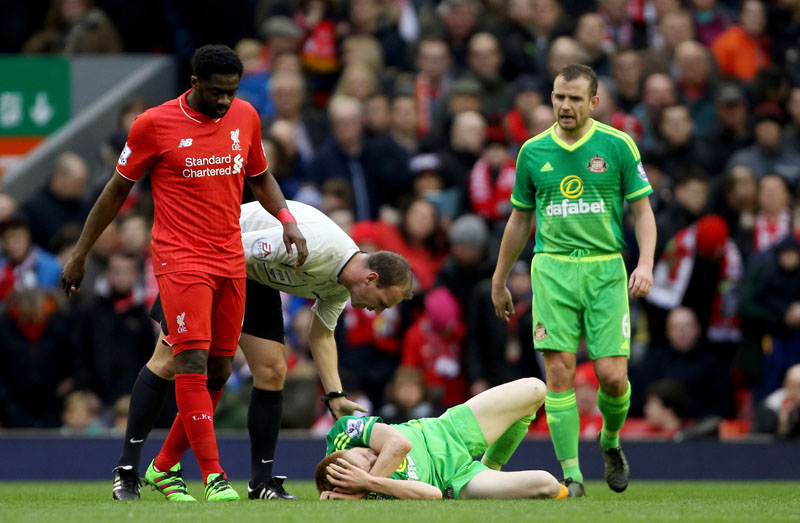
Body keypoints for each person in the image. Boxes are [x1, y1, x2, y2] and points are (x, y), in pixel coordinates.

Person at [60, 44, 308, 502]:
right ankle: (212, 477)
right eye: (216, 92)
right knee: (188, 360)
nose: (224, 101)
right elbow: (116, 191)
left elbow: (260, 176)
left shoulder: (246, 116)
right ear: (194, 83)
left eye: (231, 92)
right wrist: (80, 253)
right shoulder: (154, 124)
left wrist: (287, 219)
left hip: (230, 257)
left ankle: (158, 467)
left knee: (219, 368)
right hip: (180, 259)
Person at [111, 200, 413, 502]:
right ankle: (127, 470)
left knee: (272, 370)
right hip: (210, 256)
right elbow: (226, 250)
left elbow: (321, 335)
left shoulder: (340, 285)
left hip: (254, 272)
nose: (378, 311)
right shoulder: (314, 246)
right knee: (168, 362)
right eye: (383, 303)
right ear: (371, 279)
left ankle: (258, 481)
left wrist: (335, 396)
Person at [491, 64, 656, 497]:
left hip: (605, 268)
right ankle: (572, 476)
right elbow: (519, 220)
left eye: (575, 99)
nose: (565, 106)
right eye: (559, 97)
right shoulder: (533, 151)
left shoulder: (617, 145)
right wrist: (499, 278)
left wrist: (645, 264)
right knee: (559, 370)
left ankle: (610, 440)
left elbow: (643, 212)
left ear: (594, 102)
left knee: (613, 377)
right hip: (553, 269)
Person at [316, 378, 568, 500]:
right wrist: (371, 484)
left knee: (536, 389)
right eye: (368, 465)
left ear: (340, 453)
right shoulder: (369, 491)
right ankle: (488, 472)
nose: (372, 456)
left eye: (362, 454)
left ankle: (492, 465)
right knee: (547, 484)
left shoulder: (342, 432)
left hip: (448, 430)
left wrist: (365, 484)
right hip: (456, 480)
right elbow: (434, 494)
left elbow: (400, 444)